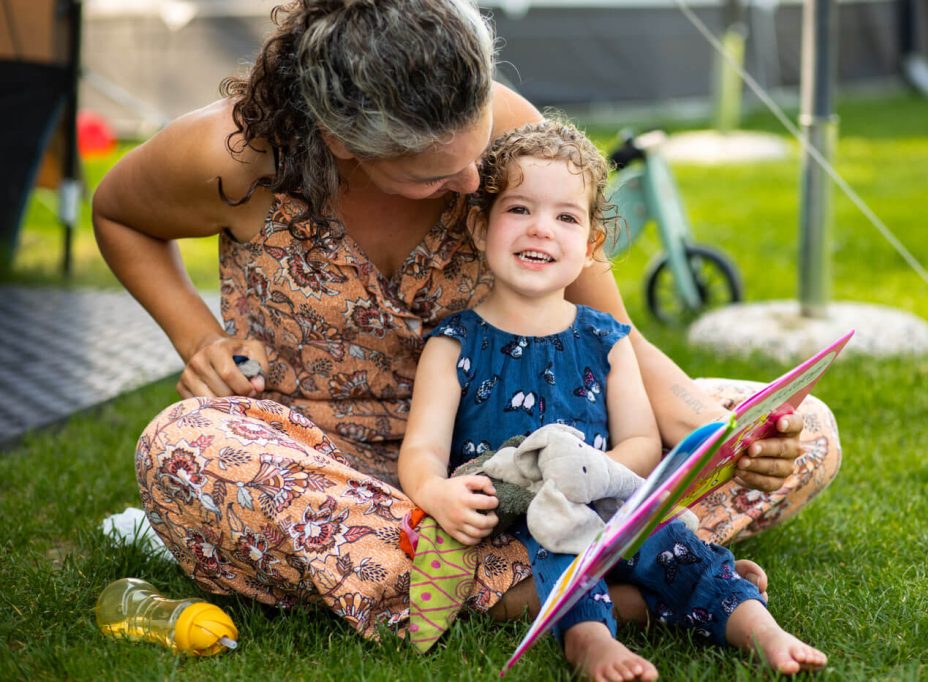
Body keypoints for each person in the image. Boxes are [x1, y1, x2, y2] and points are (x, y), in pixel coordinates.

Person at [93, 0, 841, 647]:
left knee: (810, 429)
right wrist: (199, 341)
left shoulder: (513, 135)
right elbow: (119, 213)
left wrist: (720, 437)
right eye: (431, 174)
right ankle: (624, 580)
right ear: (341, 142)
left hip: (532, 465)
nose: (475, 184)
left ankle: (446, 584)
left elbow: (616, 337)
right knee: (183, 447)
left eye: (479, 149)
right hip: (325, 464)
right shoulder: (232, 158)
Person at [397, 120, 827, 679]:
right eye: (519, 210)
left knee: (675, 543)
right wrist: (438, 493)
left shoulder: (607, 341)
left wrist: (595, 478)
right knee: (560, 546)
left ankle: (760, 628)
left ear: (591, 244)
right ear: (480, 227)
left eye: (566, 217)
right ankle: (591, 641)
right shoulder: (455, 344)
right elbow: (423, 448)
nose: (542, 230)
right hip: (517, 516)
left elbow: (642, 442)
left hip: (607, 499)